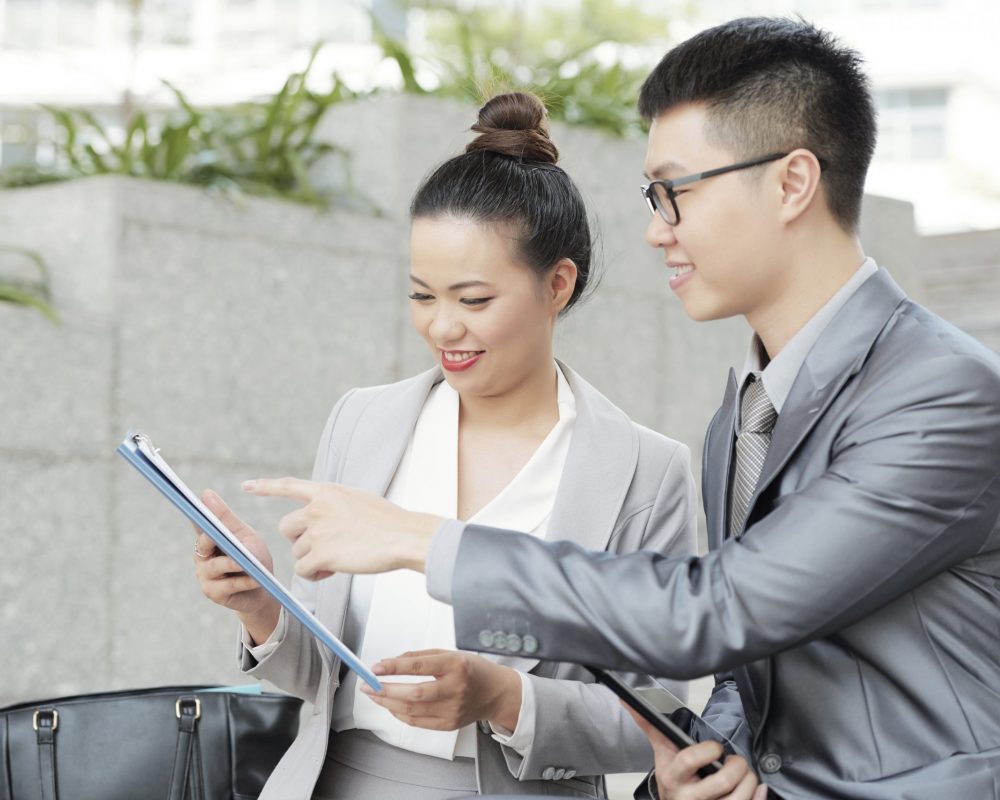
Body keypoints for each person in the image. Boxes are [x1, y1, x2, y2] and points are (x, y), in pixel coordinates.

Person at [243, 17, 1000, 800]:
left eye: (674, 193)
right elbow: (747, 670)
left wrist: (422, 541)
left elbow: (717, 611)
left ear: (791, 183)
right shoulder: (741, 416)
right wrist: (694, 770)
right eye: (652, 197)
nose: (654, 231)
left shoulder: (941, 393)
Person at [193, 91, 698, 799]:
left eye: (474, 299)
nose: (442, 327)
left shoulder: (642, 471)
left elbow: (659, 715)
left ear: (558, 285)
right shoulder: (364, 422)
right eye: (422, 296)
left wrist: (504, 697)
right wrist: (260, 605)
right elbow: (322, 674)